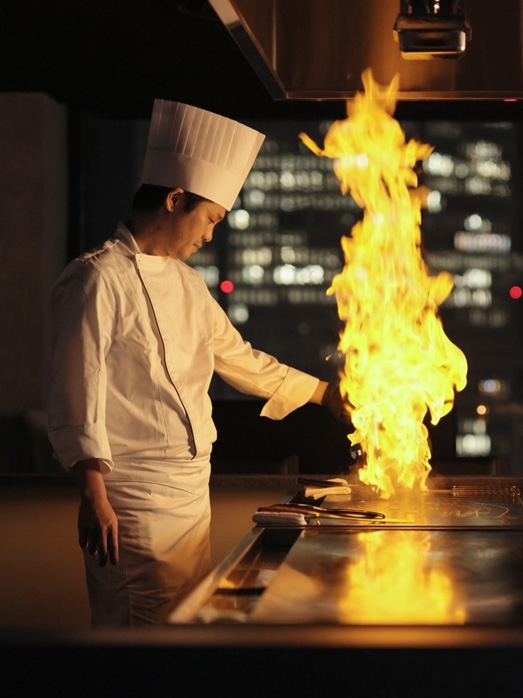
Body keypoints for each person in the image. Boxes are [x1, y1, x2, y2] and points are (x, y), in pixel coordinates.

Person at [47, 99, 348, 627]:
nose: (211, 234)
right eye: (209, 218)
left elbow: (239, 358)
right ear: (176, 199)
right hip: (133, 496)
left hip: (191, 493)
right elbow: (78, 390)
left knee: (186, 630)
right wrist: (93, 495)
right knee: (140, 634)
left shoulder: (188, 283)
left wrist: (325, 395)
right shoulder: (97, 278)